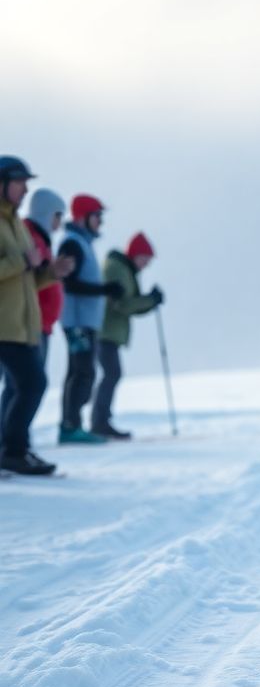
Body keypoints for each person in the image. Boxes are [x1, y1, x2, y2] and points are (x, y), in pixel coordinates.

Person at [0, 158, 72, 475]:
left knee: (25, 384)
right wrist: (22, 261)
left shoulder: (14, 223)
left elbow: (27, 276)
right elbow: (17, 266)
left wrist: (51, 273)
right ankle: (13, 451)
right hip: (5, 324)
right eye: (19, 182)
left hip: (21, 324)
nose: (25, 189)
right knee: (31, 383)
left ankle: (15, 450)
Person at [58, 194, 123, 444]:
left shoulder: (81, 243)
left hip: (84, 320)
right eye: (98, 217)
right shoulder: (73, 243)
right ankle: (70, 426)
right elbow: (70, 283)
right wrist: (105, 290)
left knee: (81, 371)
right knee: (82, 372)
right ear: (84, 217)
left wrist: (103, 290)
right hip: (77, 322)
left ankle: (72, 424)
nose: (100, 223)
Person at [92, 232, 163, 439]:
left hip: (111, 331)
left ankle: (101, 420)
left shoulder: (125, 270)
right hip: (105, 331)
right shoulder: (117, 269)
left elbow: (130, 304)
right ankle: (99, 421)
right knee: (111, 373)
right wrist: (149, 300)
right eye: (145, 259)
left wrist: (150, 301)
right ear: (135, 254)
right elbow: (122, 304)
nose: (146, 265)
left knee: (111, 373)